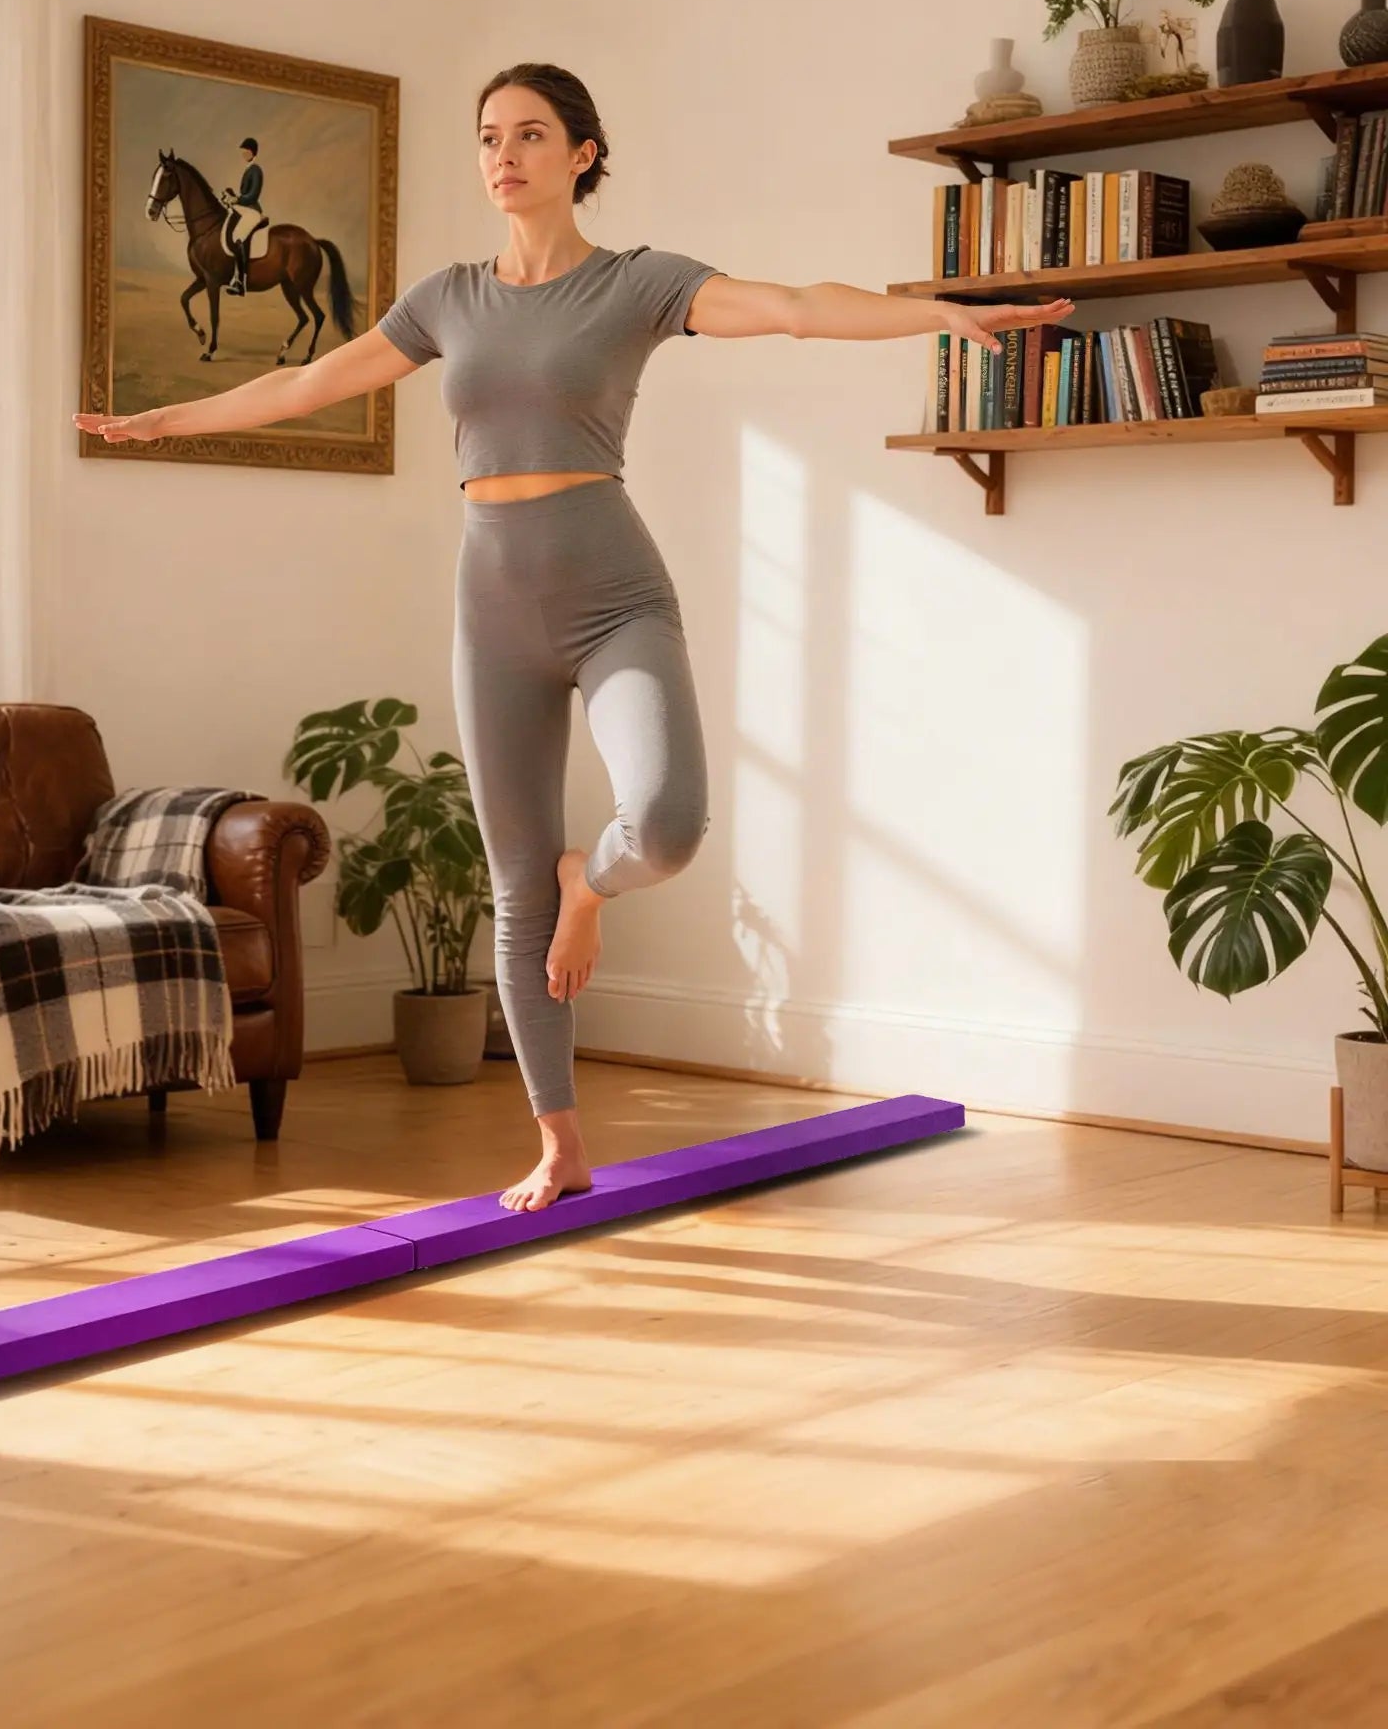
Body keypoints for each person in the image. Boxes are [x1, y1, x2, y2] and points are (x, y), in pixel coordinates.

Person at [75, 62, 1073, 1213]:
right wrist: (165, 419)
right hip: (488, 606)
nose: (503, 155)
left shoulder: (636, 284)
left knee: (664, 823)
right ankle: (559, 1144)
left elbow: (798, 305)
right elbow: (309, 379)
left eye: (530, 135)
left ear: (581, 154)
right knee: (512, 890)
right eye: (488, 135)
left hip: (611, 592)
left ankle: (584, 882)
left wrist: (939, 315)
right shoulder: (447, 296)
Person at [221, 136, 266, 295]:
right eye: (243, 151)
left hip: (253, 210)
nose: (243, 154)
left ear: (252, 152)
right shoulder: (248, 169)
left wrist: (237, 199)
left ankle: (241, 281)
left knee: (238, 237)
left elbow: (252, 195)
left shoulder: (256, 170)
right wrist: (230, 198)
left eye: (245, 151)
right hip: (245, 208)